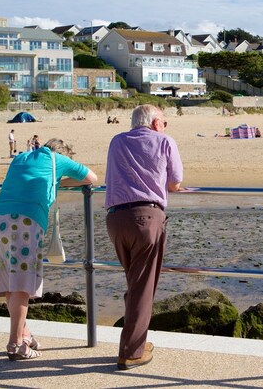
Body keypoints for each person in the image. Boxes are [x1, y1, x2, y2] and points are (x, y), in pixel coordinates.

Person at [0, 138, 97, 361]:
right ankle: (15, 345)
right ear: (63, 153)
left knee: (10, 282)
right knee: (22, 285)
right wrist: (60, 181)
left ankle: (24, 334)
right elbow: (92, 178)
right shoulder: (58, 159)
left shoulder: (21, 157)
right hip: (25, 222)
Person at [104, 105, 184, 370]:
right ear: (154, 123)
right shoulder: (163, 141)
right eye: (164, 121)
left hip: (115, 219)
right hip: (146, 218)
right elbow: (175, 183)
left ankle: (135, 340)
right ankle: (131, 351)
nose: (165, 126)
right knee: (143, 285)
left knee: (135, 281)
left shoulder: (117, 141)